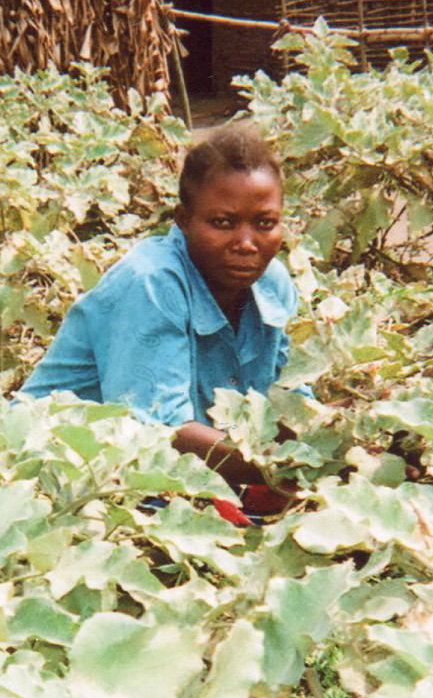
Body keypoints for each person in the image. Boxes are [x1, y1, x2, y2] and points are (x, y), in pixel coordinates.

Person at [21, 122, 298, 499]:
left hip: (165, 485)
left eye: (265, 223)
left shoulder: (273, 281)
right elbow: (161, 435)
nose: (247, 243)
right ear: (184, 221)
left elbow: (291, 403)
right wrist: (295, 467)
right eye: (223, 223)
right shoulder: (149, 282)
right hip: (52, 481)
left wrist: (348, 442)